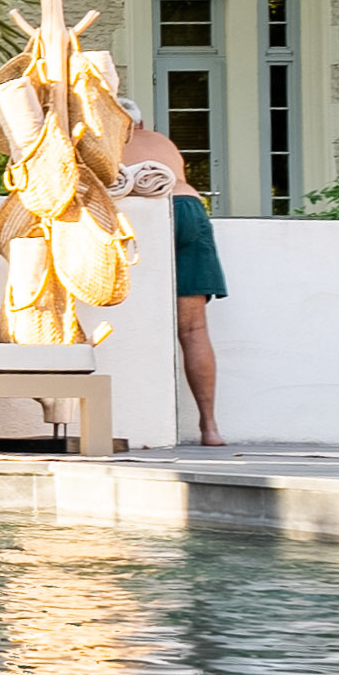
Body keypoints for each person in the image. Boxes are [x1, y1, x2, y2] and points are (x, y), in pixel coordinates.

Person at [117, 124, 222, 445]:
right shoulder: (161, 142)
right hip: (189, 207)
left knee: (132, 320)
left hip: (147, 215)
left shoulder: (105, 141)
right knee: (194, 329)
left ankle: (138, 422)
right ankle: (210, 429)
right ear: (140, 123)